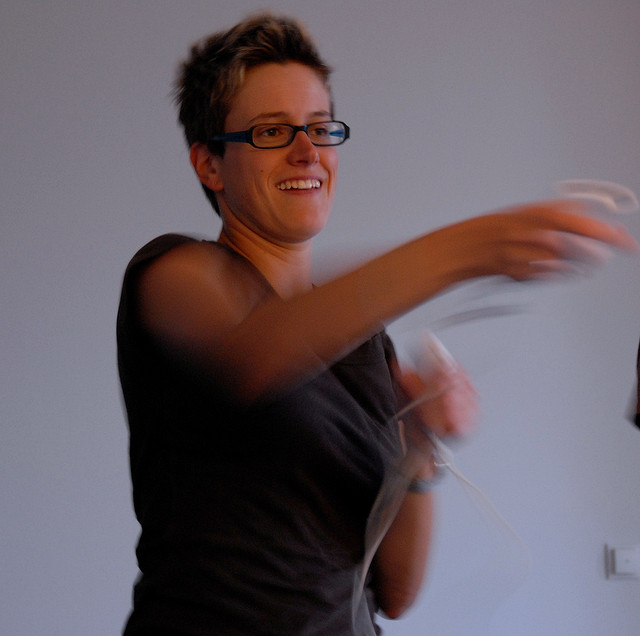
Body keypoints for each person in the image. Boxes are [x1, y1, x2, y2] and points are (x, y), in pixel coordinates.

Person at [117, 13, 637, 635]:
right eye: (272, 131)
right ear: (209, 164)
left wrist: (419, 448)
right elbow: (252, 352)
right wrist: (476, 246)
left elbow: (394, 591)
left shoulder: (367, 343)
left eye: (320, 128)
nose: (308, 151)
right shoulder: (174, 274)